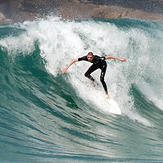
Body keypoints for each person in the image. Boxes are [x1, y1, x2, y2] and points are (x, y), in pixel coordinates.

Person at [62, 52, 126, 98]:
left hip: (103, 65)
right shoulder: (85, 58)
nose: (89, 59)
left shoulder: (98, 58)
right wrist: (66, 68)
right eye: (88, 57)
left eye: (90, 57)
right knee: (86, 74)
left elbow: (109, 56)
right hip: (96, 65)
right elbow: (74, 60)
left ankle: (107, 93)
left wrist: (120, 59)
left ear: (93, 57)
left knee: (102, 79)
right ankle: (94, 82)